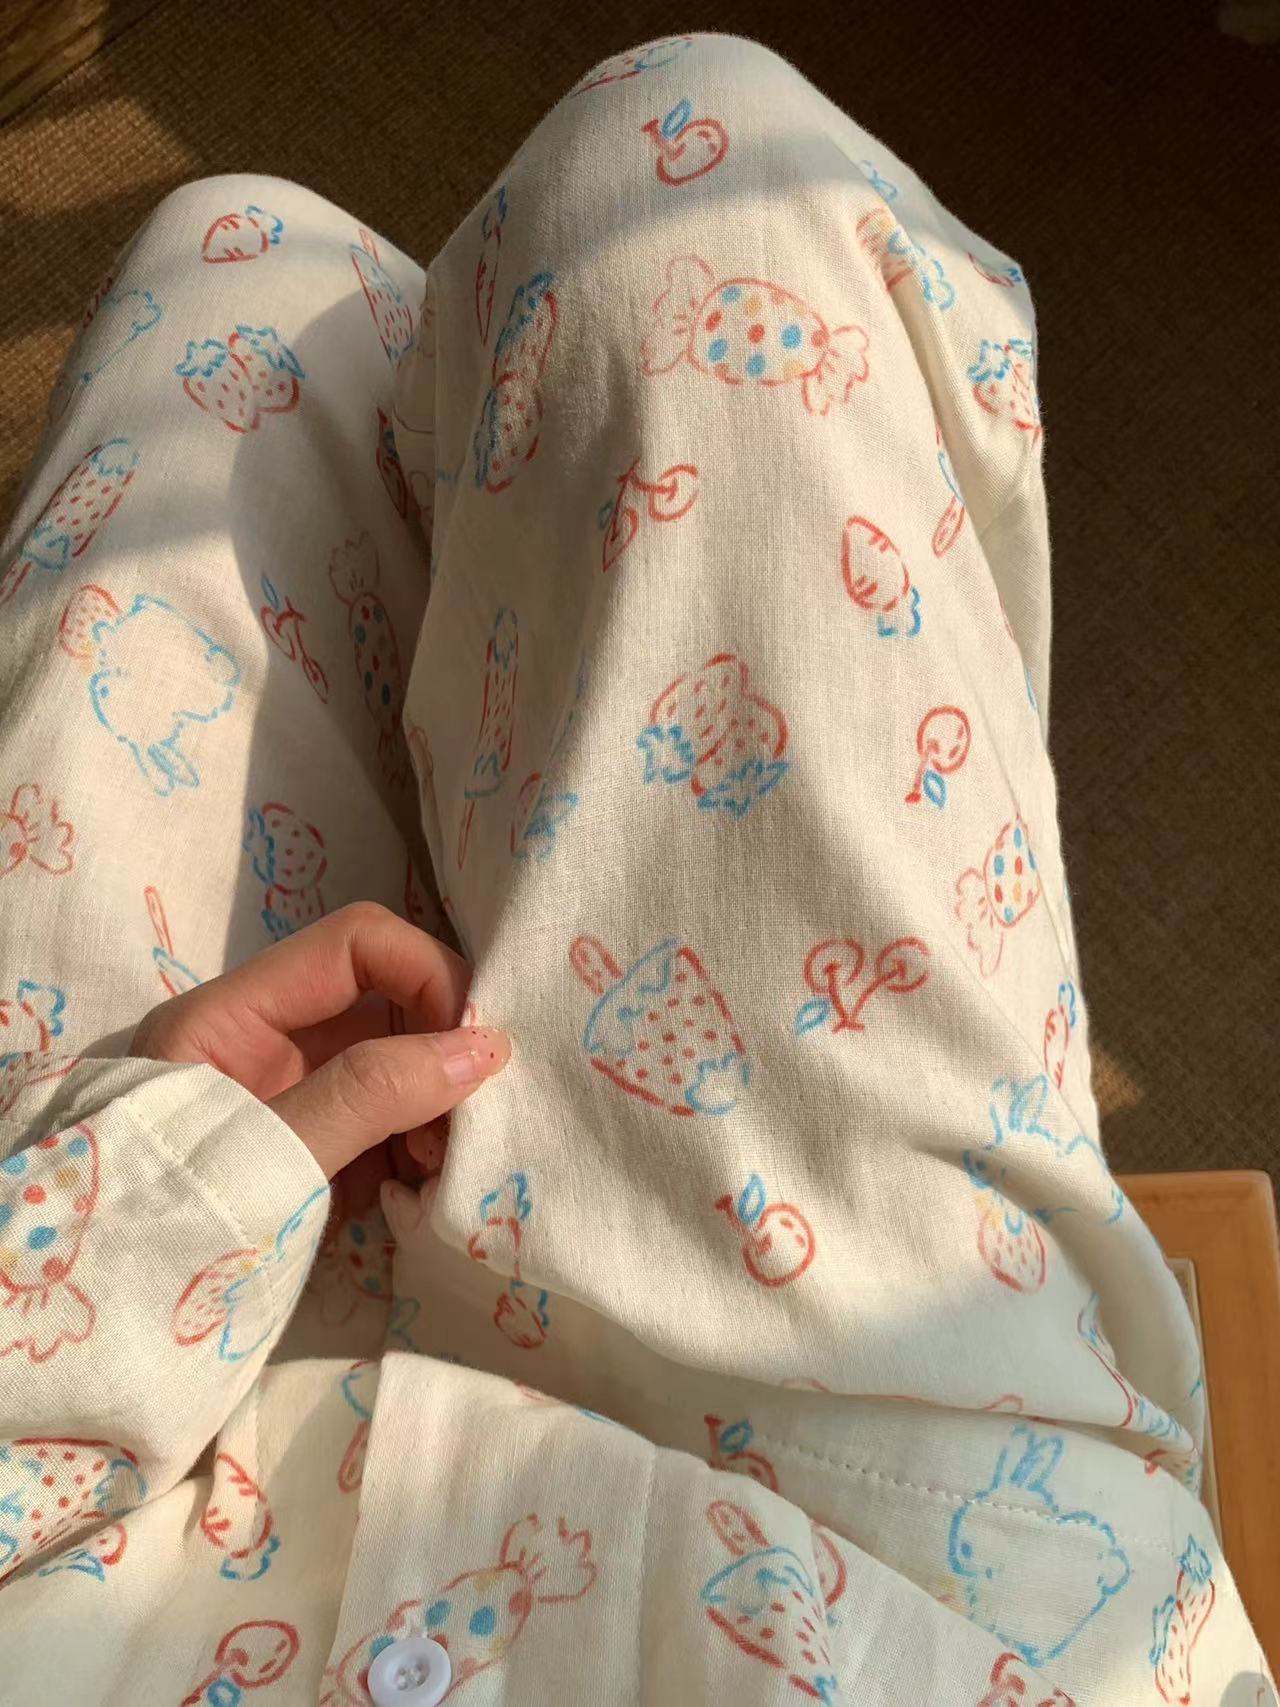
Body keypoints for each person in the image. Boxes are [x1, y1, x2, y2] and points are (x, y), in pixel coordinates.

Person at [0, 32, 1270, 1707]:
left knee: (244, 285)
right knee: (692, 166)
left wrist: (123, 1231)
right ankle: (489, 578)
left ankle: (482, 577)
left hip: (125, 1528)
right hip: (908, 1593)